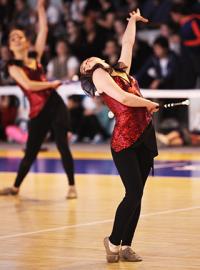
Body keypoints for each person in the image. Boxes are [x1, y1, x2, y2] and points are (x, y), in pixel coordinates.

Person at [80, 9, 159, 263]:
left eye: (88, 60)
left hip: (145, 135)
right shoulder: (99, 76)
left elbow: (128, 43)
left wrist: (133, 21)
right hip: (124, 141)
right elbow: (125, 98)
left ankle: (126, 245)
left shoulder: (120, 70)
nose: (87, 61)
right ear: (89, 72)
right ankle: (113, 241)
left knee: (139, 195)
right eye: (84, 64)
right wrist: (146, 102)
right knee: (133, 193)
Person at [0, 0, 77, 199]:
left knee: (62, 144)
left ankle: (71, 186)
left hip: (55, 103)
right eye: (12, 37)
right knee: (31, 152)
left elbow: (43, 30)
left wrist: (41, 9)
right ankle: (16, 187)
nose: (16, 38)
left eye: (20, 36)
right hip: (38, 110)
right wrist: (50, 84)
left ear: (26, 42)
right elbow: (29, 86)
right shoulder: (13, 67)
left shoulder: (35, 56)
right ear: (10, 45)